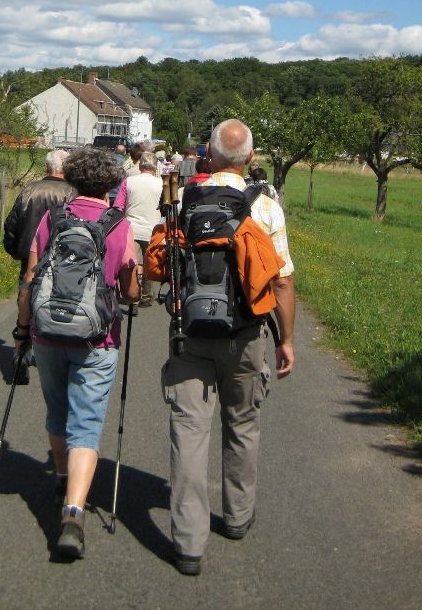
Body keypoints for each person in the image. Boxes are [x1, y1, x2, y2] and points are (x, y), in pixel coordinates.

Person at [156, 118, 295, 575]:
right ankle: (236, 516)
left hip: (189, 332)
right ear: (250, 158)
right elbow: (282, 280)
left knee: (188, 430)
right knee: (243, 424)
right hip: (246, 335)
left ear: (209, 155)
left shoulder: (182, 200)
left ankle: (188, 544)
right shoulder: (266, 206)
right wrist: (287, 339)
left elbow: (164, 262)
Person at [13, 146, 140, 560]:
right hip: (97, 339)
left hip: (48, 334)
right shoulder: (118, 224)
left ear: (72, 180)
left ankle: (62, 475)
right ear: (111, 185)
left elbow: (32, 277)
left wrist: (22, 331)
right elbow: (130, 291)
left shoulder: (53, 218)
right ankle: (73, 513)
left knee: (57, 411)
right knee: (86, 422)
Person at [3, 149, 76, 381]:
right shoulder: (72, 192)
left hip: (29, 255)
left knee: (26, 296)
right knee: (57, 301)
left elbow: (12, 223)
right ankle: (54, 353)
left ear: (46, 168)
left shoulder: (29, 190)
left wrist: (14, 248)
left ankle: (21, 351)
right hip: (61, 258)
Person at [113, 150, 163, 308]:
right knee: (149, 264)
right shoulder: (161, 184)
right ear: (155, 167)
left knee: (131, 263)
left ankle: (132, 295)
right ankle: (146, 295)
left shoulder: (128, 182)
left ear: (140, 165)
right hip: (152, 229)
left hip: (131, 228)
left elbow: (118, 206)